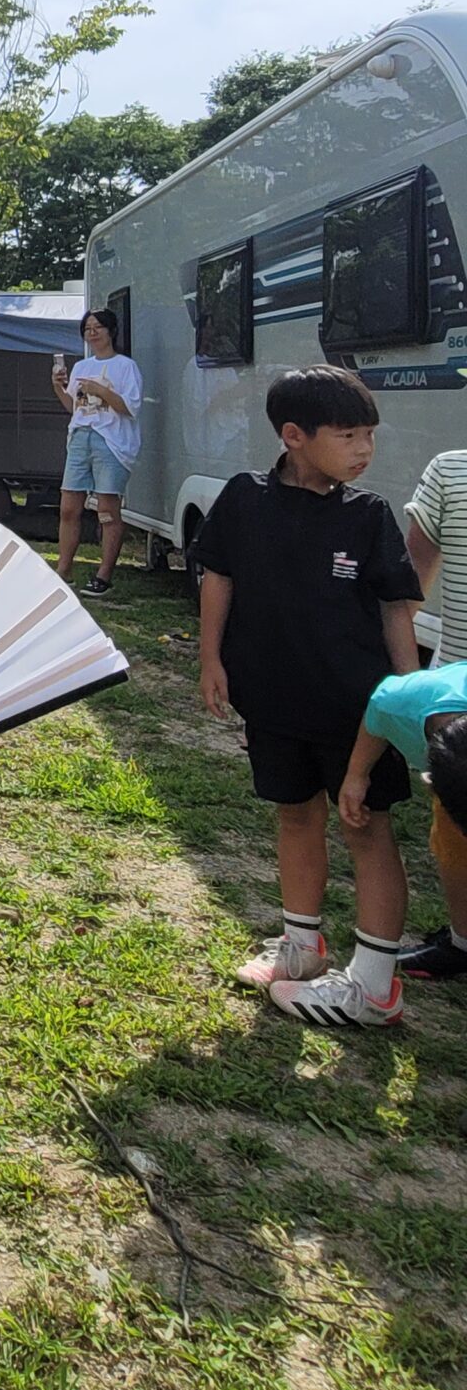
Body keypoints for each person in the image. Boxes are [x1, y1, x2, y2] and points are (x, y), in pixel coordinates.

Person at [196, 365, 422, 1029]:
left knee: (367, 829)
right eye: (349, 435)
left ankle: (376, 985)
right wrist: (211, 657)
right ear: (294, 436)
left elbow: (395, 612)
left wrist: (408, 698)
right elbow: (219, 577)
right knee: (295, 816)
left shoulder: (370, 515)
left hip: (359, 716)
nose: (364, 450)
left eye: (370, 436)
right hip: (272, 700)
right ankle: (301, 946)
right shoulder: (245, 498)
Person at [340, 660, 467, 985]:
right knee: (453, 848)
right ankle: (463, 944)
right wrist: (357, 775)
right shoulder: (403, 701)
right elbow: (378, 708)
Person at [399, 448, 467, 977]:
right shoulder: (449, 469)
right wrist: (400, 672)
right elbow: (412, 576)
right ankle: (463, 941)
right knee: (453, 822)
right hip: (456, 689)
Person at [52, 309, 143, 598]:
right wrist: (59, 388)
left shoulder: (126, 367)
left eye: (98, 327)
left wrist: (101, 391)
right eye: (87, 328)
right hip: (80, 437)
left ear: (111, 331)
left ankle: (104, 575)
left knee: (106, 510)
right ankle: (62, 572)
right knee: (68, 507)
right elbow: (74, 407)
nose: (92, 333)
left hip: (111, 440)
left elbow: (130, 408)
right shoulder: (80, 367)